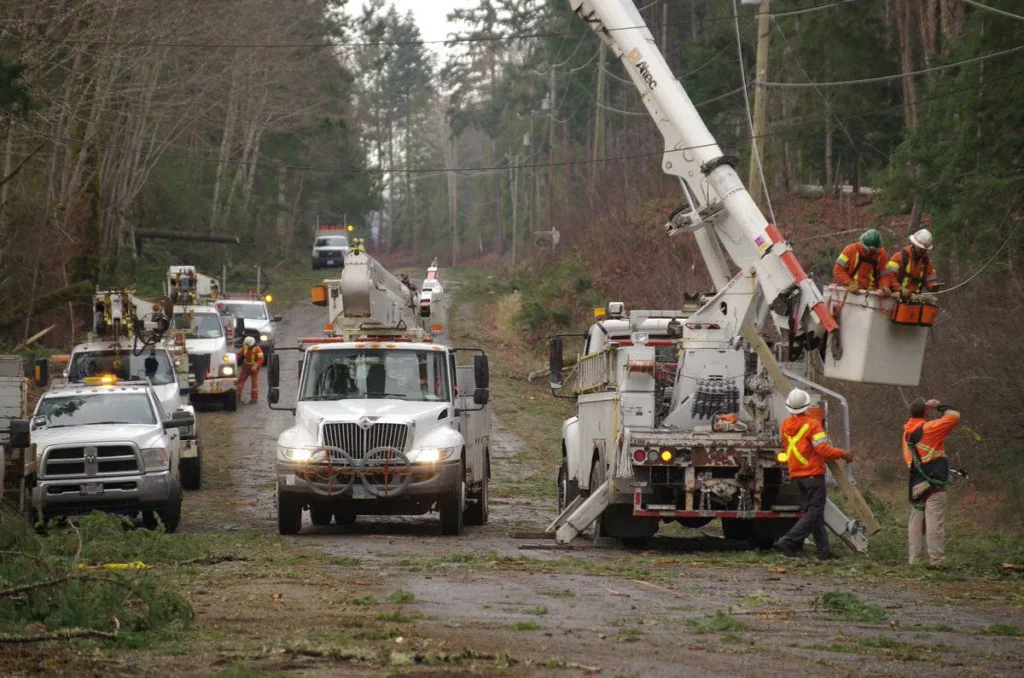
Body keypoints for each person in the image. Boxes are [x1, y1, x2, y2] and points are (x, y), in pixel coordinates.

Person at [774, 389, 854, 560]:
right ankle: (789, 540)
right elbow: (823, 450)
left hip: (797, 475)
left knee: (812, 512)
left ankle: (822, 551)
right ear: (807, 405)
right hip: (812, 474)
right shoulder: (812, 425)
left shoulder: (785, 426)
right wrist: (843, 454)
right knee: (815, 512)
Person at [903, 397, 960, 569]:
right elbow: (954, 416)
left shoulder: (907, 433)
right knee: (934, 521)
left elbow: (909, 460)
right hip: (934, 482)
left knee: (915, 521)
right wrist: (938, 406)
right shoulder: (929, 429)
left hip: (916, 483)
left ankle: (914, 560)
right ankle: (937, 561)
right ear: (926, 412)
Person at [883, 229, 939, 299]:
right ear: (914, 244)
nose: (920, 250)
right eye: (919, 247)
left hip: (915, 299)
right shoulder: (898, 257)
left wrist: (933, 286)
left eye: (923, 249)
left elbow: (931, 280)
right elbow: (889, 277)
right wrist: (900, 289)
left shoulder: (926, 263)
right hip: (896, 298)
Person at [833, 228, 889, 293]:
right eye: (868, 250)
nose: (870, 252)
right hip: (851, 289)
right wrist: (850, 283)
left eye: (873, 251)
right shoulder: (850, 250)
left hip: (872, 292)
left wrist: (884, 285)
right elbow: (838, 269)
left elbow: (885, 275)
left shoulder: (881, 255)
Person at [236, 336, 264, 405]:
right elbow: (238, 355)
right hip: (245, 367)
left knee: (254, 384)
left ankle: (254, 399)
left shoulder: (257, 349)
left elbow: (261, 359)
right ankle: (237, 397)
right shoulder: (244, 348)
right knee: (240, 382)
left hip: (254, 369)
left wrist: (256, 365)